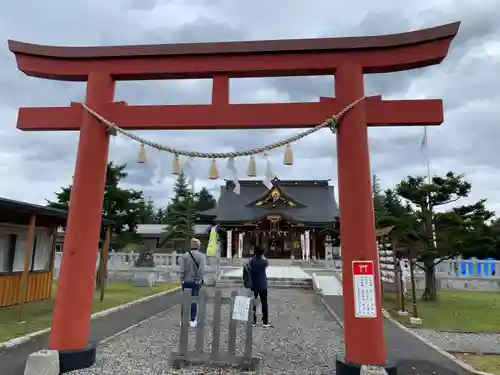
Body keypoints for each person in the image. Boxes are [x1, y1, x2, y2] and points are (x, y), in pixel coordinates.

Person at [179, 238, 205, 328]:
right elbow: (201, 270)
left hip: (186, 281)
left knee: (185, 300)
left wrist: (181, 279)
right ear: (198, 246)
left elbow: (182, 269)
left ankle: (183, 319)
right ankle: (192, 320)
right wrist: (198, 279)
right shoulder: (201, 256)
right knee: (194, 300)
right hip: (195, 281)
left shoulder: (184, 256)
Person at [249, 245, 271, 328]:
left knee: (253, 303)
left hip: (254, 284)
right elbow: (267, 264)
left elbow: (249, 266)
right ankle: (265, 322)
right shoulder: (264, 261)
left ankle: (253, 321)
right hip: (263, 284)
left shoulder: (252, 261)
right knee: (264, 303)